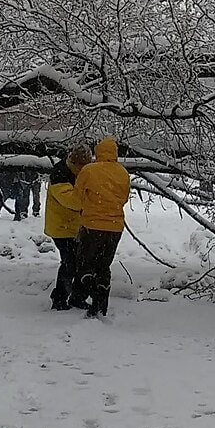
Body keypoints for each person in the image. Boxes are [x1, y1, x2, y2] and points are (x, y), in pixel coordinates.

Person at [72, 136, 131, 318]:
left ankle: (95, 297)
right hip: (115, 227)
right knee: (103, 265)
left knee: (84, 265)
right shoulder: (123, 173)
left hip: (92, 224)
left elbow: (77, 196)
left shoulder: (89, 170)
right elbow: (124, 198)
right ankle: (102, 301)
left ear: (97, 152)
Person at [44, 145, 91, 309]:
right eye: (82, 167)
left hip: (75, 227)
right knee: (70, 263)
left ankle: (76, 297)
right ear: (76, 163)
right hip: (61, 228)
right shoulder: (60, 174)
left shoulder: (79, 173)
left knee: (80, 263)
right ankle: (60, 298)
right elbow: (73, 202)